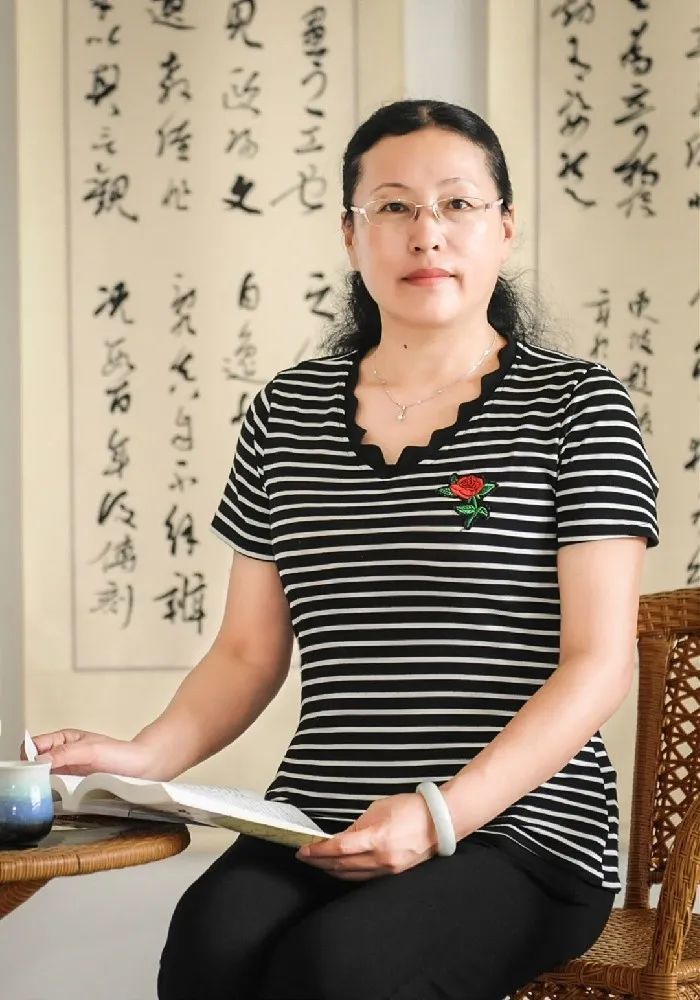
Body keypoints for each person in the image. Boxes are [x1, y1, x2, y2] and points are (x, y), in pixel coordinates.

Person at [23, 99, 660, 1000]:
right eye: (393, 207)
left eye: (457, 204)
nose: (426, 232)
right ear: (351, 235)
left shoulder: (578, 408)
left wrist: (439, 815)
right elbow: (246, 652)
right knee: (208, 946)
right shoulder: (286, 413)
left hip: (521, 832)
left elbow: (597, 664)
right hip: (316, 818)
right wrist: (144, 758)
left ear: (505, 227)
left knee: (339, 970)